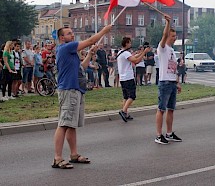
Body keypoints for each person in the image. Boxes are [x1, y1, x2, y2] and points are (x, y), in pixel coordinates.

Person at [52, 24, 111, 169]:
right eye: (69, 33)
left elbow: (81, 69)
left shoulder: (71, 53)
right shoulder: (65, 48)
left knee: (71, 125)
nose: (72, 35)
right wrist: (104, 30)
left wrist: (90, 54)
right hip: (68, 90)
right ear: (61, 38)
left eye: (72, 33)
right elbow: (91, 40)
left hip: (76, 90)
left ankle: (74, 154)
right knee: (64, 124)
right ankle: (57, 158)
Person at [154, 15, 182, 145]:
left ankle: (169, 133)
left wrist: (177, 82)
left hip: (171, 82)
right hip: (164, 82)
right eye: (173, 36)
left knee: (171, 109)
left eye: (175, 36)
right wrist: (168, 22)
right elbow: (164, 35)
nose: (174, 37)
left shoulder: (172, 50)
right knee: (161, 109)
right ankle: (158, 135)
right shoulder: (163, 48)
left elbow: (174, 68)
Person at [117, 37, 150, 122]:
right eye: (130, 43)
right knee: (132, 96)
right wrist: (144, 53)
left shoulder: (121, 52)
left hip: (122, 78)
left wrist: (142, 52)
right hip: (128, 77)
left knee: (126, 96)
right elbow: (136, 61)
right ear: (127, 43)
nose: (131, 44)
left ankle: (126, 113)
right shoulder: (126, 53)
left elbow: (134, 56)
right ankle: (123, 111)